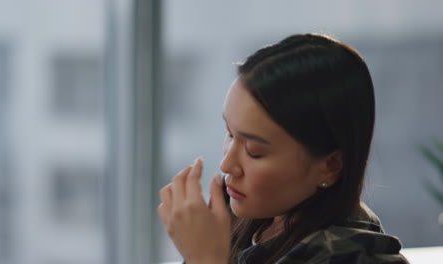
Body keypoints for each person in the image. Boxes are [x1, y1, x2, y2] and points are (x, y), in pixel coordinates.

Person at [157, 33, 410, 264]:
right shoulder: (241, 213)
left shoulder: (351, 256)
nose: (226, 165)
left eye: (254, 151)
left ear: (330, 166)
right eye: (229, 134)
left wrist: (205, 258)